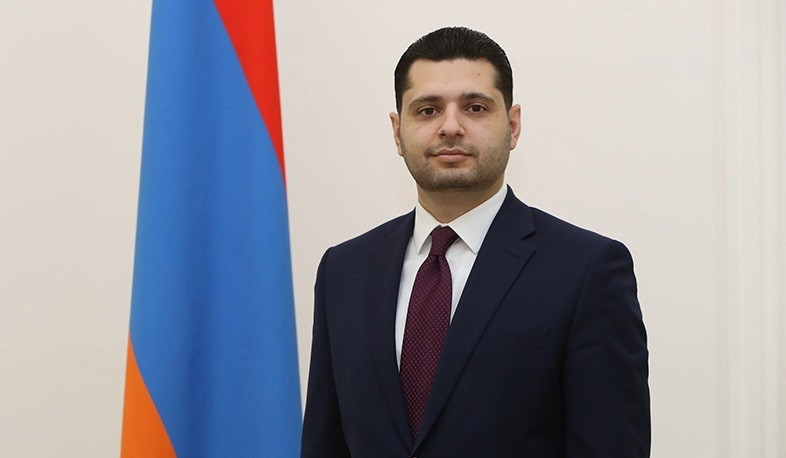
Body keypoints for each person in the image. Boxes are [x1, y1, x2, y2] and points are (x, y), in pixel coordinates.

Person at [301, 26, 650, 458]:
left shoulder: (587, 271)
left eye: (475, 107)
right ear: (397, 131)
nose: (450, 127)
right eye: (427, 110)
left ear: (513, 126)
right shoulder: (343, 271)